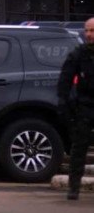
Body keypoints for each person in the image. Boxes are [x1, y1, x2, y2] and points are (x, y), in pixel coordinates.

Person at [57, 16, 94, 201]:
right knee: (79, 148)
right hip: (85, 106)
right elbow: (65, 79)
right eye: (86, 30)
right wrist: (64, 102)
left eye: (92, 31)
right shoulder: (79, 54)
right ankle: (74, 188)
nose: (88, 34)